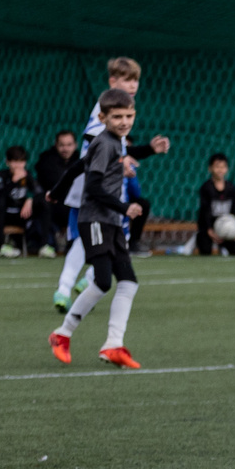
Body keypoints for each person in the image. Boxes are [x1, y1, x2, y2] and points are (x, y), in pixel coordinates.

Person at [52, 57, 170, 311]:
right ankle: (65, 289)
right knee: (90, 240)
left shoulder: (121, 110)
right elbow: (95, 140)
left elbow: (121, 147)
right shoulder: (104, 110)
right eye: (127, 79)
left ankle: (86, 283)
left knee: (111, 240)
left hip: (110, 185)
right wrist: (120, 159)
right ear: (112, 82)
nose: (133, 85)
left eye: (135, 80)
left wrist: (148, 149)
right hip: (93, 186)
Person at [49, 90, 148, 369]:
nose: (124, 121)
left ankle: (113, 345)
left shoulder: (116, 143)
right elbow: (92, 187)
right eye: (117, 117)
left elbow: (76, 168)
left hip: (111, 222)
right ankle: (62, 333)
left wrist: (55, 192)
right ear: (103, 118)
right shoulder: (106, 144)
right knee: (104, 281)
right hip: (95, 220)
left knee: (128, 282)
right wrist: (124, 207)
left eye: (129, 116)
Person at [31, 131, 80, 255]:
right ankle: (45, 244)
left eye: (69, 145)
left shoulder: (81, 160)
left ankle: (75, 245)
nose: (65, 149)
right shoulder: (46, 160)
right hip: (53, 204)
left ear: (75, 145)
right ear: (56, 145)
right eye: (62, 145)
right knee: (43, 203)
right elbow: (48, 185)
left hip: (72, 204)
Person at [0, 146, 40, 257]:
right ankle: (2, 245)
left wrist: (30, 199)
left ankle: (43, 245)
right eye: (14, 161)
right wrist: (14, 181)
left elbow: (38, 192)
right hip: (4, 215)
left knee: (42, 203)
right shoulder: (1, 175)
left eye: (21, 161)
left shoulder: (28, 175)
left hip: (20, 214)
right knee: (1, 203)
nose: (18, 165)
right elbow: (1, 195)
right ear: (7, 162)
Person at [195, 153, 235, 256]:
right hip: (208, 229)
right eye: (217, 167)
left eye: (223, 167)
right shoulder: (206, 188)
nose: (220, 170)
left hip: (225, 227)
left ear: (227, 169)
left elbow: (233, 211)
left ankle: (224, 248)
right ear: (210, 168)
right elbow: (204, 211)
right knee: (205, 251)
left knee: (234, 252)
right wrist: (209, 231)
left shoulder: (231, 188)